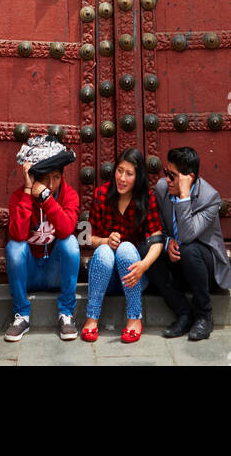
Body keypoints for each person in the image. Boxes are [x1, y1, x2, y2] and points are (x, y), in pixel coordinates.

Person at [81, 147, 163, 343]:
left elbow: (158, 239)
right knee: (104, 251)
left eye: (129, 174)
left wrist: (143, 266)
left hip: (134, 277)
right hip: (104, 278)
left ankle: (134, 319)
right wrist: (104, 240)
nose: (122, 178)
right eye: (120, 171)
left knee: (126, 248)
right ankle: (91, 318)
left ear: (138, 176)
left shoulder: (146, 199)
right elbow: (85, 237)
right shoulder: (101, 194)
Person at [151, 145, 231, 341]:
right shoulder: (162, 189)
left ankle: (204, 316)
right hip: (178, 262)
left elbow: (187, 235)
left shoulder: (209, 198)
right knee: (149, 248)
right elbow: (158, 226)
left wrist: (184, 196)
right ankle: (184, 313)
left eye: (173, 175)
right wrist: (168, 240)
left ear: (190, 177)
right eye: (166, 173)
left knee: (189, 249)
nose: (167, 180)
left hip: (206, 270)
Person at [4, 135, 80, 342]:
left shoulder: (69, 195)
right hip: (29, 273)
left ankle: (66, 313)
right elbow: (18, 234)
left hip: (54, 272)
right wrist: (29, 192)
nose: (50, 184)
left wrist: (46, 199)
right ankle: (22, 315)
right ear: (34, 177)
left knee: (71, 244)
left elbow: (65, 230)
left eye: (56, 177)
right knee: (14, 247)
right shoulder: (18, 196)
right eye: (44, 179)